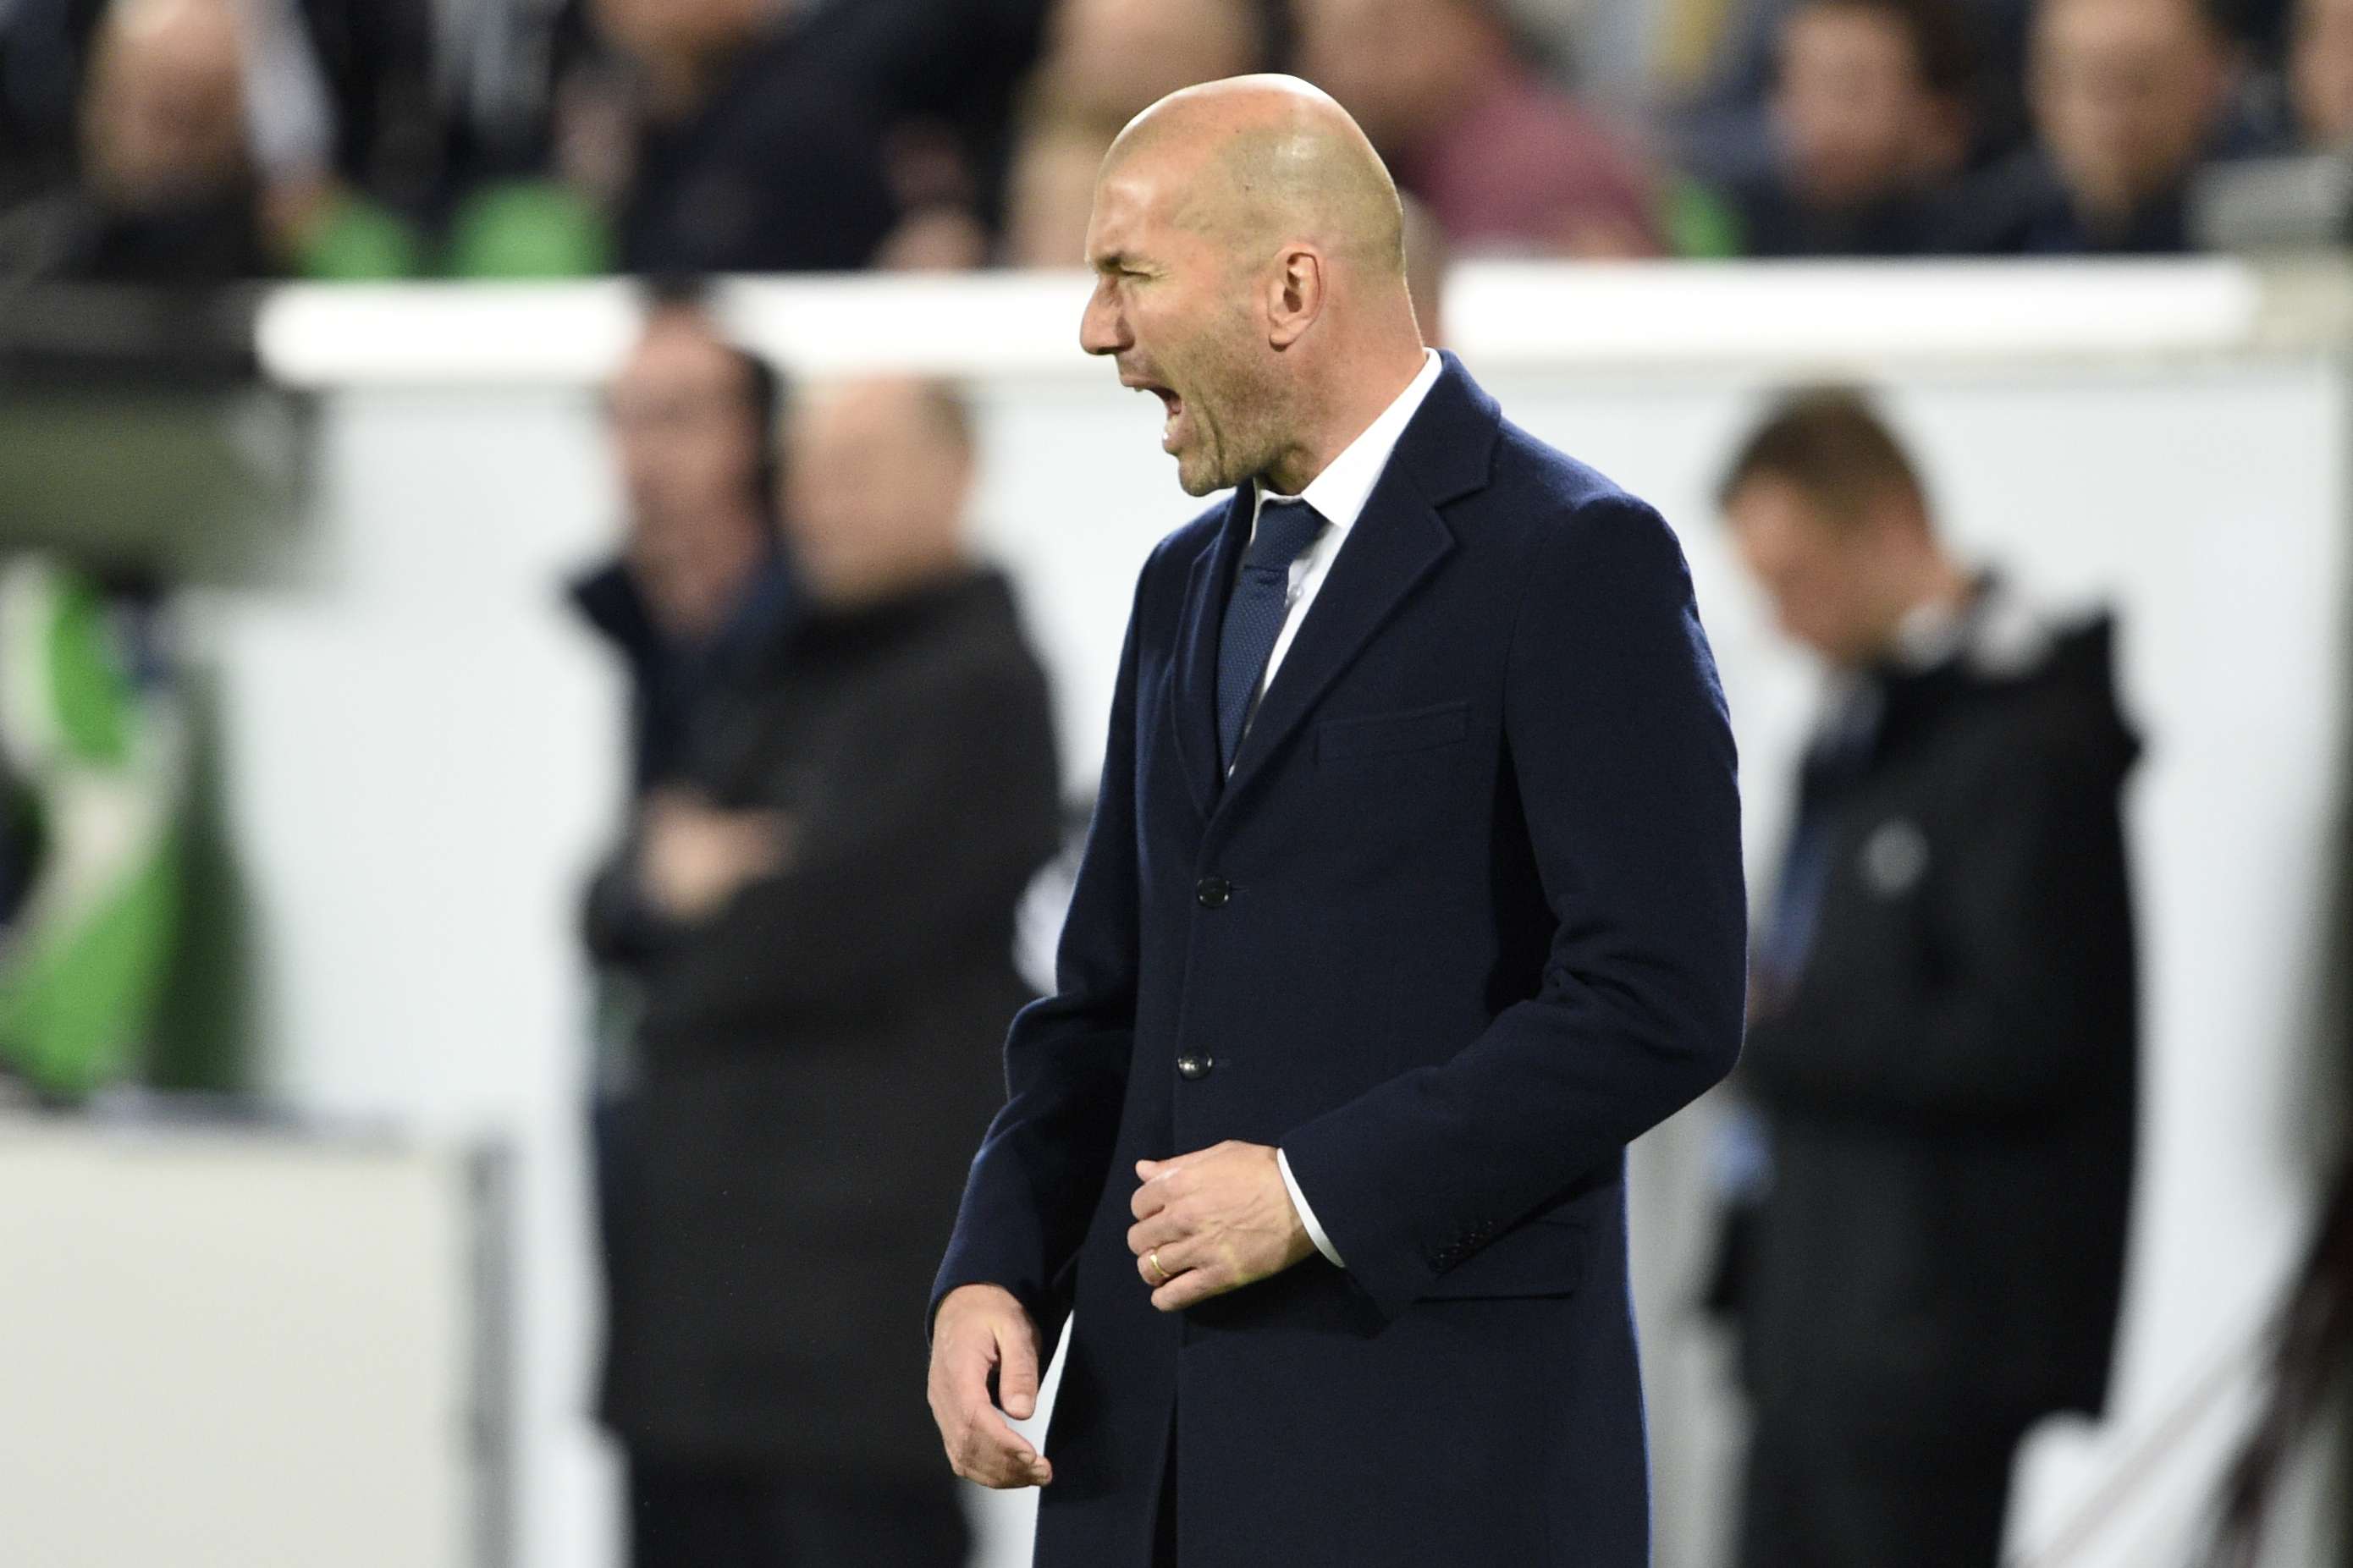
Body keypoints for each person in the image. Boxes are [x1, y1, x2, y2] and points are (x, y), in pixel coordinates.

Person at [928, 74, 1746, 1567]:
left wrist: (1310, 1193)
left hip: (1432, 1470)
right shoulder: (1181, 586)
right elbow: (1108, 1000)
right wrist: (994, 1265)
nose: (1097, 331)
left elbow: (1662, 998)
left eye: (1127, 275)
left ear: (1289, 287)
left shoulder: (1573, 560)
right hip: (1143, 1474)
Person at [584, 358, 1063, 1566]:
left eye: (855, 470)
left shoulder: (979, 686)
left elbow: (809, 932)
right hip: (691, 1330)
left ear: (954, 479)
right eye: (803, 472)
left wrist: (705, 897)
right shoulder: (771, 667)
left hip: (847, 1344)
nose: (817, 503)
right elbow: (609, 894)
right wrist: (691, 883)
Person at [1714, 388, 2138, 1568]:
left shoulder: (2025, 740)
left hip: (1927, 1344)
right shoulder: (1861, 732)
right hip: (1808, 1314)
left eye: (1794, 578)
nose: (1782, 621)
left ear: (1890, 525)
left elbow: (2023, 1034)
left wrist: (1760, 1033)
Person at [1293, 0, 1666, 257]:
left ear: (1471, 21)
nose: (1342, 67)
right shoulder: (1400, 151)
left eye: (1378, 35)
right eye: (1318, 34)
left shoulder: (1536, 168)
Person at [1942, 0, 2242, 253]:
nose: (2114, 114)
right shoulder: (1984, 237)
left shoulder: (2264, 225)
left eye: (2139, 81)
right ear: (2039, 89)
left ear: (2210, 80)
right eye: (2090, 83)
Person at [1722, 0, 1980, 256]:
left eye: (1850, 91)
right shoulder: (1738, 233)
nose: (1816, 121)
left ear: (1939, 116)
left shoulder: (1994, 250)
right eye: (1793, 87)